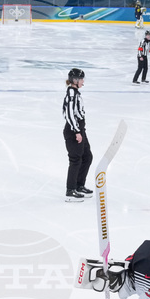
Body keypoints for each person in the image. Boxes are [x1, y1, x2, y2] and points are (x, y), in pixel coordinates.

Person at [62, 68, 93, 202]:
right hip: (73, 130)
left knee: (87, 157)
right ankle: (70, 190)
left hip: (80, 129)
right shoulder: (71, 94)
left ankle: (79, 185)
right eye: (81, 79)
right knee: (76, 160)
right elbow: (69, 114)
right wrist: (77, 131)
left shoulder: (75, 92)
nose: (83, 81)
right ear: (75, 80)